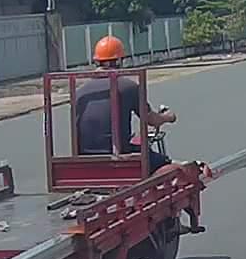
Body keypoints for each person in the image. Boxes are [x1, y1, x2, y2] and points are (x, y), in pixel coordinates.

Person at [74, 35, 178, 173]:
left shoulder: (80, 92)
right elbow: (151, 120)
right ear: (118, 61)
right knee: (165, 163)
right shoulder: (127, 86)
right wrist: (168, 117)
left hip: (84, 159)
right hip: (119, 156)